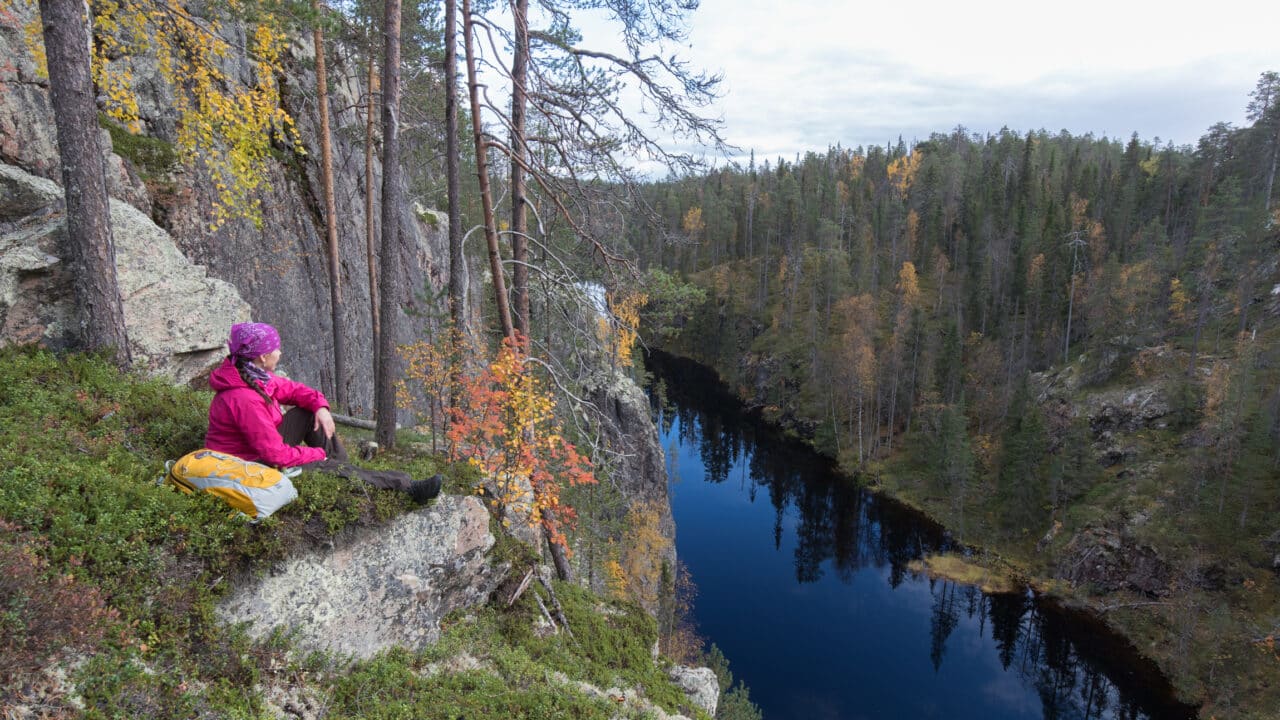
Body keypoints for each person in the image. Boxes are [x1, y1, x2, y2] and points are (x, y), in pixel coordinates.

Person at [204, 322, 442, 503]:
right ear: (263, 357)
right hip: (249, 466)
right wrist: (314, 454)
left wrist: (320, 407)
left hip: (259, 449)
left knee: (308, 414)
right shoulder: (244, 398)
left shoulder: (253, 376)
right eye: (276, 349)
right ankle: (407, 488)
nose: (280, 353)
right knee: (319, 463)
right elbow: (275, 455)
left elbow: (296, 391)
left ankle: (346, 474)